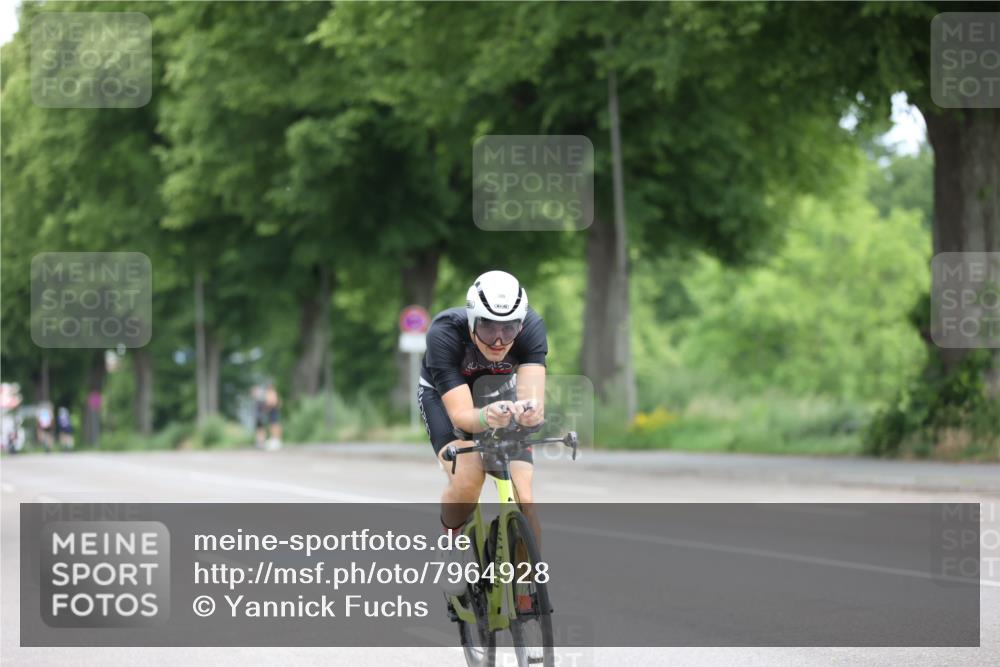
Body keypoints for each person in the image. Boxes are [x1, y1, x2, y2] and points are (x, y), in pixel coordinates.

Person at [417, 270, 547, 596]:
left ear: (522, 322)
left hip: (498, 395)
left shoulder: (532, 327)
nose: (499, 340)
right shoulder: (444, 332)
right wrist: (487, 418)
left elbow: (533, 400)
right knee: (468, 478)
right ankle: (451, 541)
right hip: (446, 396)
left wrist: (530, 414)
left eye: (509, 327)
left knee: (525, 497)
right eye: (488, 326)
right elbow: (462, 415)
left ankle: (527, 593)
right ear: (472, 320)